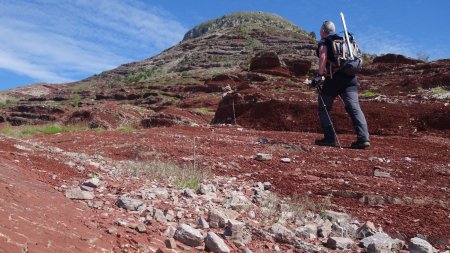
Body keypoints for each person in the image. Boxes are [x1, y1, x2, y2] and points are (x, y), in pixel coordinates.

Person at [314, 20, 370, 149]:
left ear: (323, 31)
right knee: (354, 107)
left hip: (334, 79)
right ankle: (363, 138)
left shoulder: (325, 41)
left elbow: (323, 56)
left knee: (324, 107)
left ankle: (329, 138)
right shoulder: (346, 40)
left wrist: (319, 74)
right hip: (351, 79)